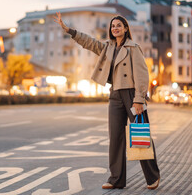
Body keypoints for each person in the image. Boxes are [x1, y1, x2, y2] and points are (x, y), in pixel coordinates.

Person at [53, 12, 160, 190]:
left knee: (140, 136)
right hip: (115, 94)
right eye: (113, 26)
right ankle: (116, 179)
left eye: (119, 25)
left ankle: (152, 177)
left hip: (133, 95)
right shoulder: (108, 47)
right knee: (115, 138)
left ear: (126, 29)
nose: (115, 28)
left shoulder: (134, 47)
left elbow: (142, 75)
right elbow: (89, 42)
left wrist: (139, 99)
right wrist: (70, 31)